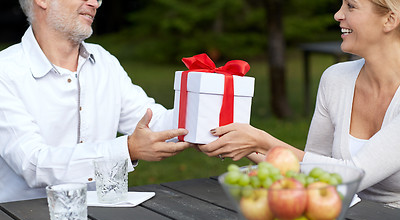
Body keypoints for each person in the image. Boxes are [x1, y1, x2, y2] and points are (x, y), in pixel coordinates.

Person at [200, 0, 400, 207]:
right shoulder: (336, 78)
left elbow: (353, 175)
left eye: (351, 6)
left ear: (390, 19)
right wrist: (237, 142)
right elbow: (309, 167)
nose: (337, 15)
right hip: (342, 218)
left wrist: (262, 141)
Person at [0, 0, 190, 203]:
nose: (94, 3)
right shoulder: (5, 72)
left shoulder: (103, 60)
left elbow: (152, 120)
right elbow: (33, 165)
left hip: (102, 216)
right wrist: (126, 149)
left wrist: (202, 124)